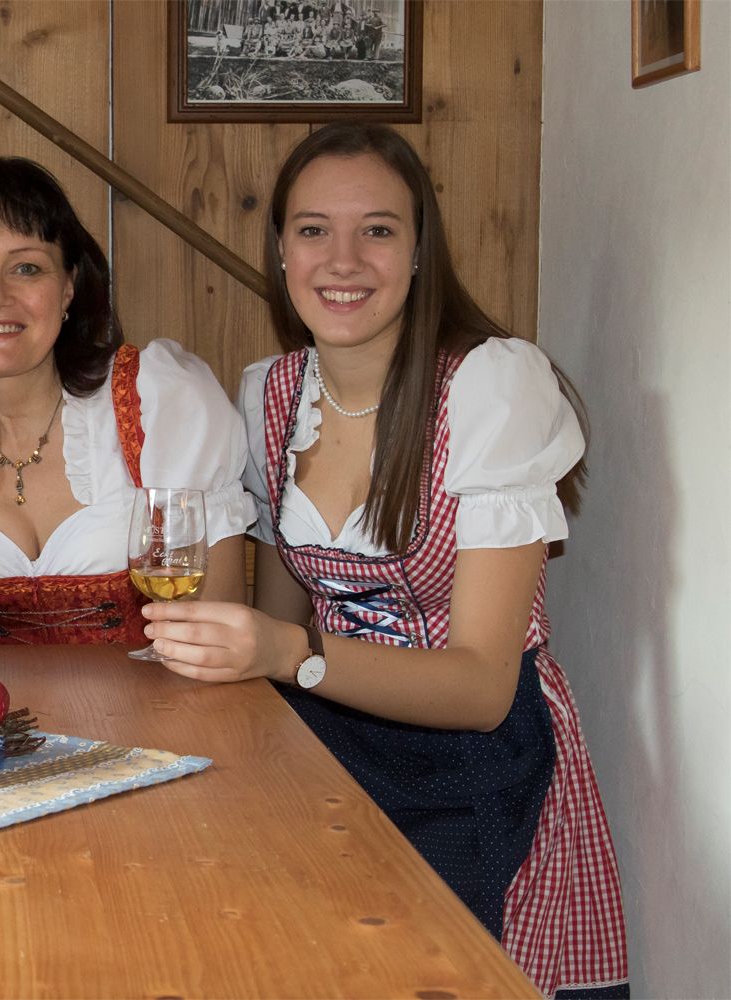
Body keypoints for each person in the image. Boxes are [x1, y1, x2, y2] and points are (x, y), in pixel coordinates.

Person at [143, 123, 628, 998]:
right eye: (313, 229)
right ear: (280, 251)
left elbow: (484, 688)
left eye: (378, 229)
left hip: (477, 767)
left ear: (418, 252)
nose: (343, 260)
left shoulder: (490, 387)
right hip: (330, 747)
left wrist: (288, 657)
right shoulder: (271, 393)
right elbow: (281, 626)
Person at [0, 158, 256, 649]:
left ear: (68, 286)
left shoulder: (164, 403)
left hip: (160, 720)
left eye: (26, 268)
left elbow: (219, 636)